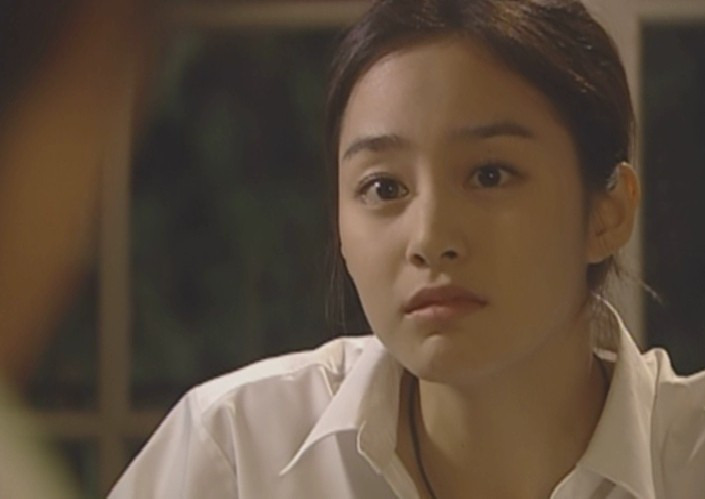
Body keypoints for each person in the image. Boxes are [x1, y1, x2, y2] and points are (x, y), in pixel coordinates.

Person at [109, 0, 705, 497]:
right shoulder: (239, 452)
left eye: (490, 175)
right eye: (384, 188)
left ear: (608, 212)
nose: (430, 239)